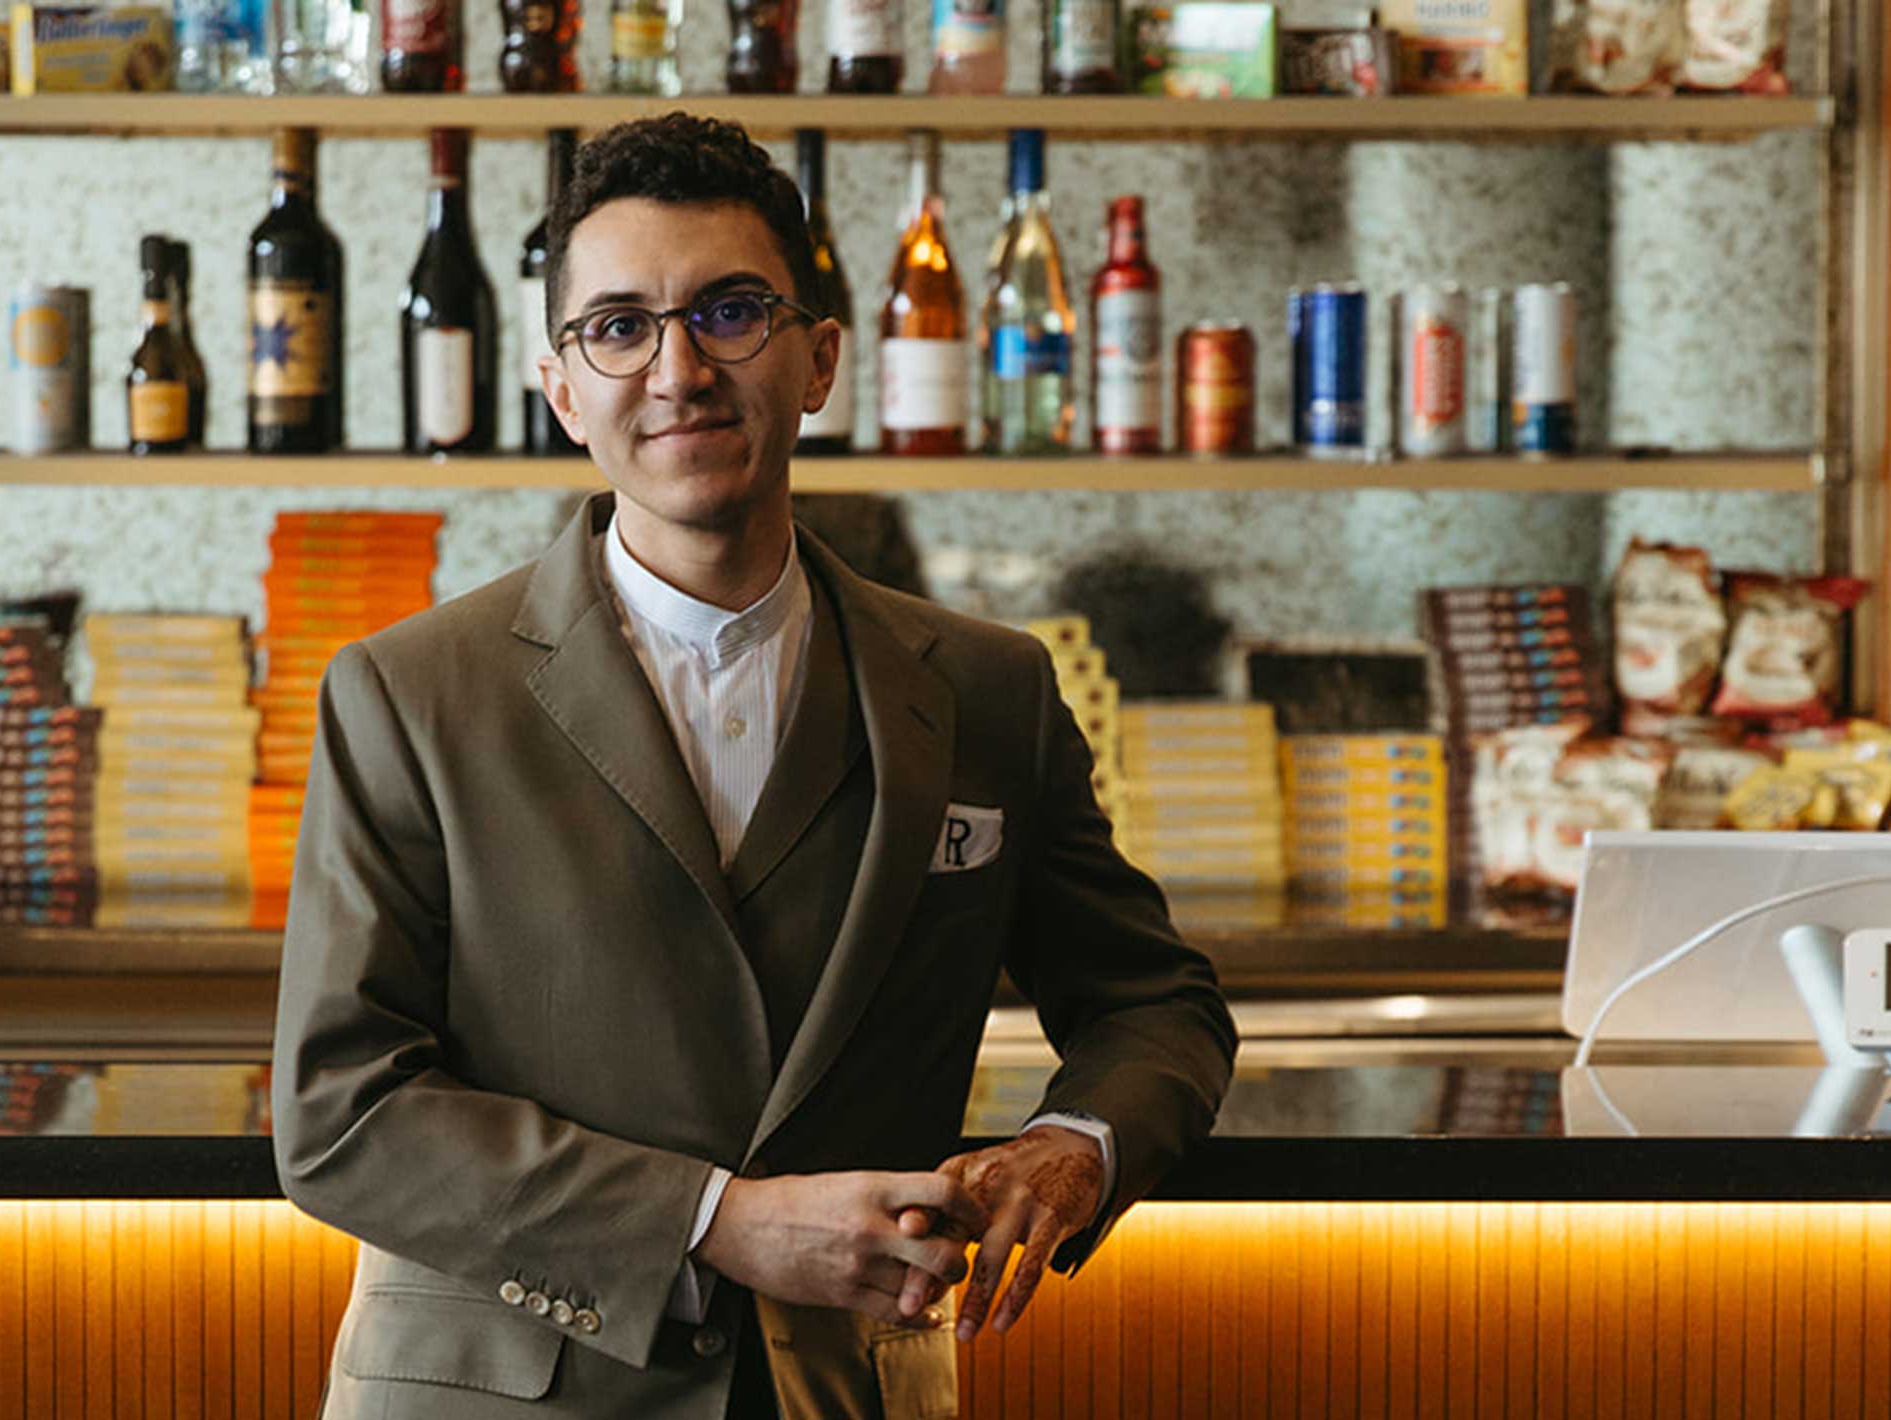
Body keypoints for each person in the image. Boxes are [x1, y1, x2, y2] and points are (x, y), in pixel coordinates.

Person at [271, 113, 1237, 1420]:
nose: (678, 370)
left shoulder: (987, 689)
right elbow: (341, 1115)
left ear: (822, 358)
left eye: (730, 313)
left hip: (846, 1388)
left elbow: (1153, 1002)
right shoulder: (407, 692)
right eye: (618, 326)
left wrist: (1078, 1146)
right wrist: (712, 1221)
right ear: (562, 391)